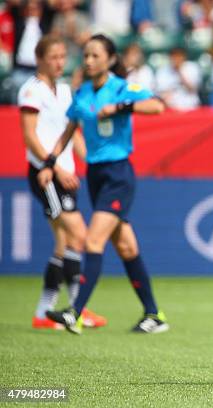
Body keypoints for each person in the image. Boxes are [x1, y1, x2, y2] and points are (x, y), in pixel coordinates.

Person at [40, 34, 169, 335]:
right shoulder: (83, 93)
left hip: (118, 175)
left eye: (95, 55)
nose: (88, 61)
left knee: (93, 241)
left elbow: (157, 106)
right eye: (85, 56)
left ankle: (75, 312)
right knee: (125, 246)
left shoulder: (121, 88)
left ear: (110, 60)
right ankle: (154, 314)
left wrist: (122, 107)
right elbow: (68, 131)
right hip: (95, 176)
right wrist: (49, 163)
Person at [18, 35, 106, 330]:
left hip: (64, 175)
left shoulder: (66, 91)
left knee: (64, 243)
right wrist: (52, 166)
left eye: (62, 57)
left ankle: (45, 312)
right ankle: (76, 308)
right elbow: (31, 136)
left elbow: (73, 134)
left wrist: (94, 163)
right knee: (79, 236)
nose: (59, 63)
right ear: (40, 58)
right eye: (53, 57)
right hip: (47, 174)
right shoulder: (31, 92)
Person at [155, 46, 201, 110]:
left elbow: (192, 89)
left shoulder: (192, 67)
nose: (177, 59)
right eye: (174, 56)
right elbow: (161, 93)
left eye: (179, 56)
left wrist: (180, 72)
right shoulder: (162, 71)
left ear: (184, 57)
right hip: (171, 108)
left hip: (191, 107)